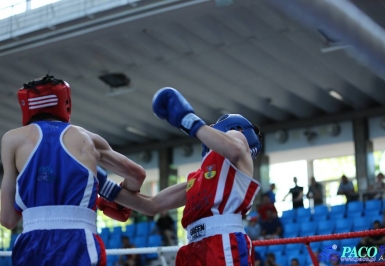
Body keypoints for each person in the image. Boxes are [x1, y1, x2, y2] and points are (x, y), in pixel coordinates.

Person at [0, 75, 146, 266]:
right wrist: (120, 198)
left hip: (31, 244)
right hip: (78, 240)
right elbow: (137, 175)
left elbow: (8, 219)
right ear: (65, 102)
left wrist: (33, 205)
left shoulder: (11, 139)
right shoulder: (87, 138)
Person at [113, 87, 263, 265]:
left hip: (223, 240)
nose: (211, 127)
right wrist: (105, 188)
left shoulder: (236, 139)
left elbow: (235, 150)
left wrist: (188, 120)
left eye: (214, 126)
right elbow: (151, 205)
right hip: (193, 246)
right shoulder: (198, 179)